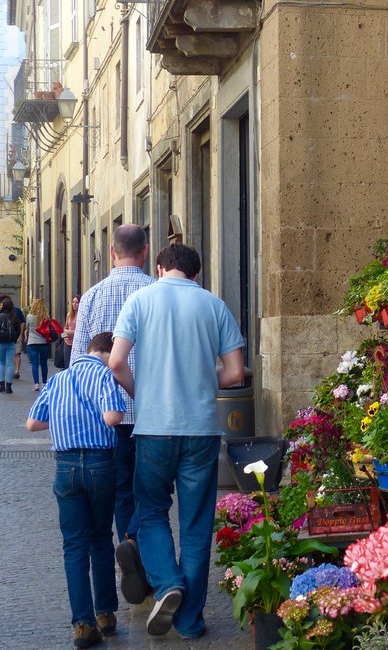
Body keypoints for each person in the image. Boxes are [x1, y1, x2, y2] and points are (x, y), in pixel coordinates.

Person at [110, 243, 244, 638]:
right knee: (197, 524)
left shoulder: (140, 299)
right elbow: (235, 372)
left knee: (150, 511)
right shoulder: (213, 305)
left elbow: (116, 362)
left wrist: (142, 392)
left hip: (153, 426)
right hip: (200, 428)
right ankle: (189, 622)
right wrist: (202, 381)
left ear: (159, 267)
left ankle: (168, 583)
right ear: (195, 274)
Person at [25, 332, 127, 649]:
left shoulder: (60, 379)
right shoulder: (104, 375)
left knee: (73, 545)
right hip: (99, 464)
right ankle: (105, 614)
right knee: (100, 538)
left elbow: (32, 423)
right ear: (108, 352)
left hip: (65, 466)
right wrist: (97, 416)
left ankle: (82, 625)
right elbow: (113, 417)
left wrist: (63, 420)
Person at [72, 224, 154, 589]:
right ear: (146, 251)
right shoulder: (156, 292)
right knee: (152, 491)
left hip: (111, 415)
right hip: (153, 409)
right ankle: (139, 546)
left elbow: (79, 364)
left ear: (111, 252)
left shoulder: (91, 297)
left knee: (123, 490)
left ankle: (129, 549)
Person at [25, 298, 61, 391]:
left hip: (32, 343)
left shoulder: (29, 317)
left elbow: (27, 329)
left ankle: (36, 383)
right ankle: (44, 382)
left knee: (34, 364)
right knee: (44, 363)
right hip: (44, 343)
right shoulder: (46, 317)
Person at [0, 296, 20, 392]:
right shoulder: (15, 316)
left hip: (1, 342)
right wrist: (14, 339)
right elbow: (18, 330)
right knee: (10, 364)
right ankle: (9, 386)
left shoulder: (0, 316)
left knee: (1, 363)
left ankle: (1, 385)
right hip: (11, 343)